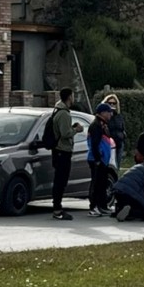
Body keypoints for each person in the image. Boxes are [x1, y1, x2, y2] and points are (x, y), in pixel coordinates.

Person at [51, 87, 84, 220]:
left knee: (60, 180)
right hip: (62, 151)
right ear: (70, 97)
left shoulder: (58, 111)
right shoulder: (64, 113)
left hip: (59, 151)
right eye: (73, 95)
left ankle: (57, 207)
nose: (73, 98)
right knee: (60, 181)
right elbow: (65, 133)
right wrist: (76, 129)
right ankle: (57, 209)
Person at [87, 103, 114, 217]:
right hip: (97, 160)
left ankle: (102, 206)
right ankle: (93, 207)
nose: (111, 114)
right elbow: (94, 144)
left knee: (102, 184)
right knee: (96, 184)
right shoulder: (96, 125)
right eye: (109, 112)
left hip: (103, 160)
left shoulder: (103, 125)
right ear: (102, 113)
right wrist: (98, 158)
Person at [102, 94, 126, 171]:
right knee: (109, 164)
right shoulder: (104, 116)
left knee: (117, 164)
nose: (112, 105)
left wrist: (123, 137)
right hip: (109, 143)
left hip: (119, 142)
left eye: (114, 103)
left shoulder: (119, 116)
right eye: (110, 103)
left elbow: (122, 128)